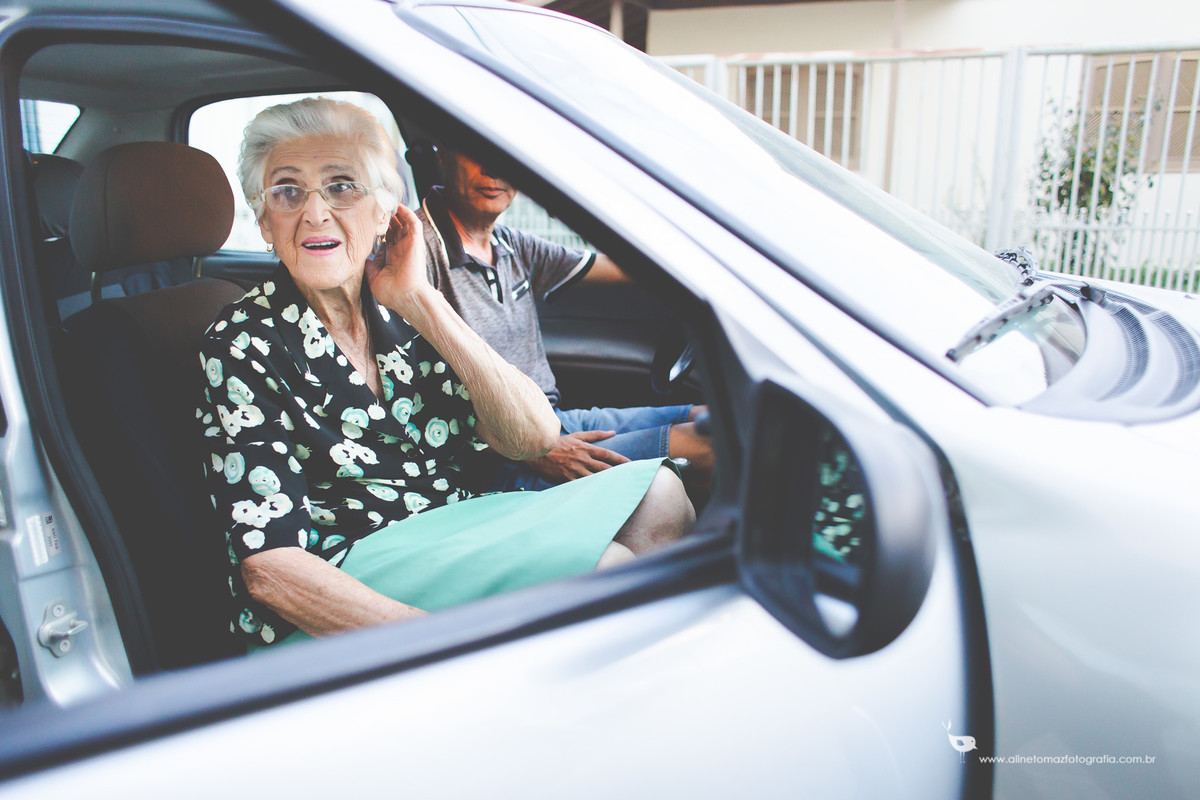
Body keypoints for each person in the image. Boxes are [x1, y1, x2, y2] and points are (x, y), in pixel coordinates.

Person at [196, 98, 694, 649]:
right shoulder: (242, 341)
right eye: (288, 191)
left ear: (385, 215)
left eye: (342, 186)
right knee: (606, 568)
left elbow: (533, 437)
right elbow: (271, 570)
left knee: (663, 494)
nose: (314, 213)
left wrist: (421, 300)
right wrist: (435, 646)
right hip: (350, 574)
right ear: (265, 221)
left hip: (453, 525)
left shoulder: (400, 309)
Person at [416, 146, 713, 492]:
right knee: (708, 447)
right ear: (443, 153)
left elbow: (628, 268)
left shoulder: (510, 244)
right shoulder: (415, 252)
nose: (493, 170)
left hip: (553, 422)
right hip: (494, 458)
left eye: (505, 154)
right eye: (474, 148)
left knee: (713, 421)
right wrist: (536, 453)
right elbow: (415, 397)